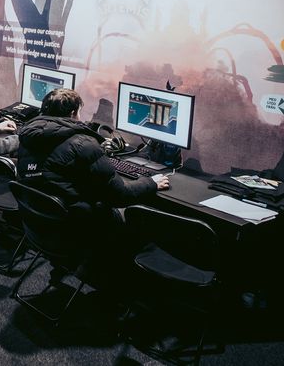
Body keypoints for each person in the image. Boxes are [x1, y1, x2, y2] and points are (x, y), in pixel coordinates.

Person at [16, 88, 169, 287]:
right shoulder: (83, 144)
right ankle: (120, 283)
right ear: (73, 113)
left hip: (39, 225)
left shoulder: (28, 136)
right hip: (72, 229)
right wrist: (151, 182)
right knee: (131, 215)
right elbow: (120, 195)